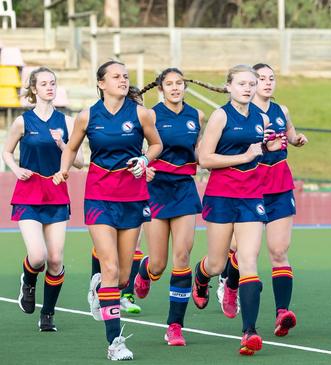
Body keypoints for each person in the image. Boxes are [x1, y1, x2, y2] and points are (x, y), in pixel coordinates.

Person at [53, 60, 162, 361]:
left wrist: (145, 160)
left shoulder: (142, 113)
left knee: (124, 276)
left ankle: (100, 287)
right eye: (116, 76)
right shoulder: (87, 115)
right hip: (99, 196)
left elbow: (156, 145)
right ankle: (115, 343)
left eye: (126, 76)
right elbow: (72, 148)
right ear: (101, 83)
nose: (123, 80)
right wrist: (63, 170)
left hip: (133, 197)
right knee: (111, 267)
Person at [190, 64, 285, 356]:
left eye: (251, 84)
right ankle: (202, 275)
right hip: (221, 196)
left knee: (248, 260)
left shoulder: (261, 117)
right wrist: (245, 155)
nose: (248, 88)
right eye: (242, 83)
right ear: (229, 86)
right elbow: (204, 158)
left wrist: (269, 147)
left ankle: (249, 332)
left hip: (251, 197)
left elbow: (261, 149)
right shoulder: (220, 116)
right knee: (218, 264)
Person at [217, 63, 307, 338]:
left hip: (279, 186)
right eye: (261, 79)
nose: (267, 83)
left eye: (271, 78)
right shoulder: (245, 115)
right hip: (250, 188)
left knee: (279, 250)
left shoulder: (282, 111)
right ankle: (231, 285)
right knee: (239, 251)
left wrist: (297, 139)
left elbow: (290, 136)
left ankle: (282, 313)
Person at [3, 67, 83, 331]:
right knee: (38, 257)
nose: (50, 87)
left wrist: (63, 145)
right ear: (34, 89)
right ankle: (28, 282)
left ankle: (47, 314)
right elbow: (6, 152)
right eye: (44, 84)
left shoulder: (67, 122)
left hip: (57, 192)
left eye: (53, 83)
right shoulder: (22, 122)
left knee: (56, 259)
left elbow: (80, 162)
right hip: (28, 192)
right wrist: (15, 169)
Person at [131, 67, 206, 346]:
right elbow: (137, 148)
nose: (176, 88)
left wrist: (212, 159)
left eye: (180, 83)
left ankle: (174, 326)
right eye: (170, 84)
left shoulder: (196, 115)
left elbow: (199, 150)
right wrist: (143, 166)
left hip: (185, 188)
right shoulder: (150, 115)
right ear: (161, 89)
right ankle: (144, 271)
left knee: (183, 256)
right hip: (156, 187)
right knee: (159, 263)